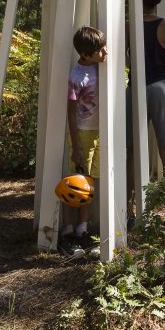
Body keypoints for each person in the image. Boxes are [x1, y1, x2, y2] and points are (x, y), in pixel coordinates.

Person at [126, 0, 165, 236]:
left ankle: (128, 213)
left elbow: (126, 59)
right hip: (160, 86)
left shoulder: (129, 26)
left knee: (129, 154)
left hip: (136, 88)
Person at [61, 25, 107, 259]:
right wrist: (77, 146)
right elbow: (70, 112)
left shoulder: (101, 68)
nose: (105, 52)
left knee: (91, 184)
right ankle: (68, 232)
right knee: (78, 183)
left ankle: (83, 229)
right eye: (100, 50)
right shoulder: (77, 76)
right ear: (86, 54)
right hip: (83, 132)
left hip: (101, 131)